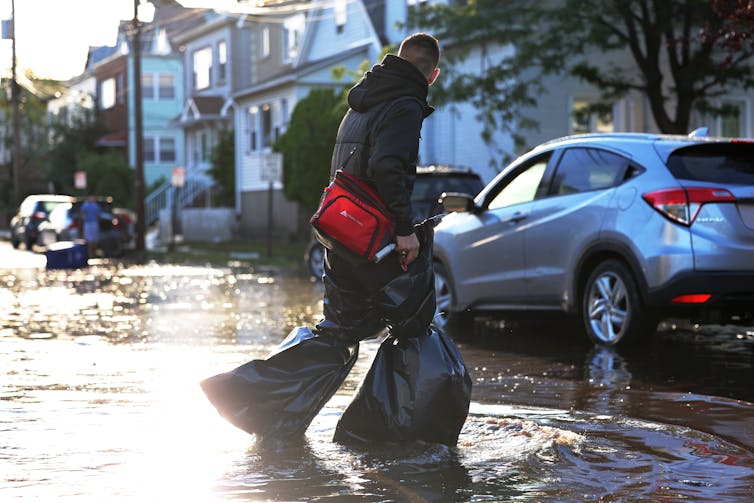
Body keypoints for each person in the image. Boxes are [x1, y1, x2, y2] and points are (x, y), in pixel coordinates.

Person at [318, 31, 441, 342]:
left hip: (340, 229)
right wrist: (404, 230)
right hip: (371, 237)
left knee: (337, 334)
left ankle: (261, 386)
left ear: (398, 58)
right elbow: (387, 167)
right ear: (433, 75)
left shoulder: (362, 101)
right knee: (412, 324)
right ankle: (411, 391)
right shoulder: (404, 105)